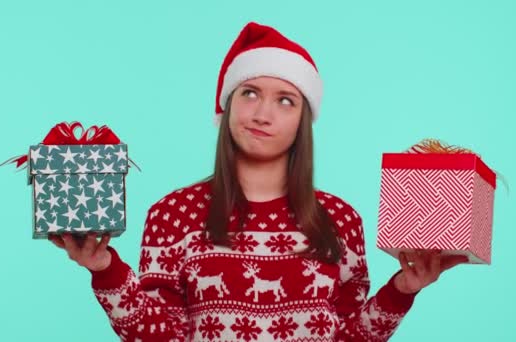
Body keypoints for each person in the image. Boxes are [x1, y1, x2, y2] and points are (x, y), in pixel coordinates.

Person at [49, 21, 468, 341]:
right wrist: (104, 268)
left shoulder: (338, 219)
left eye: (284, 100)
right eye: (250, 93)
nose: (262, 113)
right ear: (228, 105)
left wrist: (402, 289)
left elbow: (350, 336)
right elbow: (159, 335)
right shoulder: (173, 214)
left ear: (303, 119)